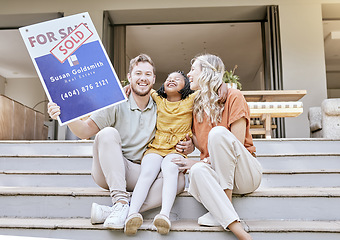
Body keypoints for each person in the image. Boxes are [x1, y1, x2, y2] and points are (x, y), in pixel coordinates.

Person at [47, 54, 193, 230]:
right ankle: (120, 201)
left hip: (140, 172)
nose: (143, 78)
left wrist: (189, 145)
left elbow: (180, 129)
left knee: (178, 179)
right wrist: (65, 115)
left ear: (154, 79)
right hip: (111, 170)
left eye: (148, 74)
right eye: (138, 73)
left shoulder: (160, 106)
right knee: (107, 133)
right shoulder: (116, 101)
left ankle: (121, 210)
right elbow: (85, 131)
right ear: (130, 77)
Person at [172, 54, 262, 240]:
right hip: (215, 174)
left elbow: (235, 145)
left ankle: (224, 204)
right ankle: (236, 226)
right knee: (196, 170)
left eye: (193, 70)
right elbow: (201, 144)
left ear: (206, 72)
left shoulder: (233, 96)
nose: (189, 74)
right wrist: (191, 147)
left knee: (218, 134)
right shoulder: (195, 104)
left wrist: (203, 160)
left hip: (243, 174)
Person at [124, 71, 197, 235]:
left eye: (177, 79)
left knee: (170, 169)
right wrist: (129, 85)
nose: (171, 80)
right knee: (147, 172)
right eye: (168, 79)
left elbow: (207, 89)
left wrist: (222, 85)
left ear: (185, 85)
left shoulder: (191, 100)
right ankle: (131, 213)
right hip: (156, 147)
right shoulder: (158, 98)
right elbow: (143, 87)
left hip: (175, 149)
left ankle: (164, 215)